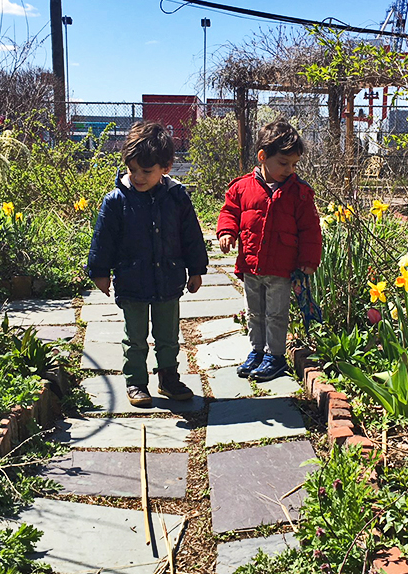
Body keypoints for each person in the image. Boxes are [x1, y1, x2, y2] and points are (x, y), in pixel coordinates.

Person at [86, 121, 208, 407]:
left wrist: (197, 269)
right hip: (132, 281)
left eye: (146, 171)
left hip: (168, 279)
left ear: (165, 168)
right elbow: (103, 238)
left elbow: (191, 236)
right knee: (135, 337)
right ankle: (136, 382)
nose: (138, 177)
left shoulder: (177, 198)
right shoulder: (116, 201)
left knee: (168, 335)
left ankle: (169, 378)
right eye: (132, 170)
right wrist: (100, 272)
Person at [216, 120, 322, 382]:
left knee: (276, 314)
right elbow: (230, 211)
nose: (290, 170)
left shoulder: (299, 193)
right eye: (284, 163)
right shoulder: (242, 187)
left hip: (281, 267)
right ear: (263, 157)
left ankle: (275, 356)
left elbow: (310, 228)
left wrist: (308, 260)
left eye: (294, 164)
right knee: (254, 312)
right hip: (251, 264)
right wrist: (227, 231)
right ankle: (257, 351)